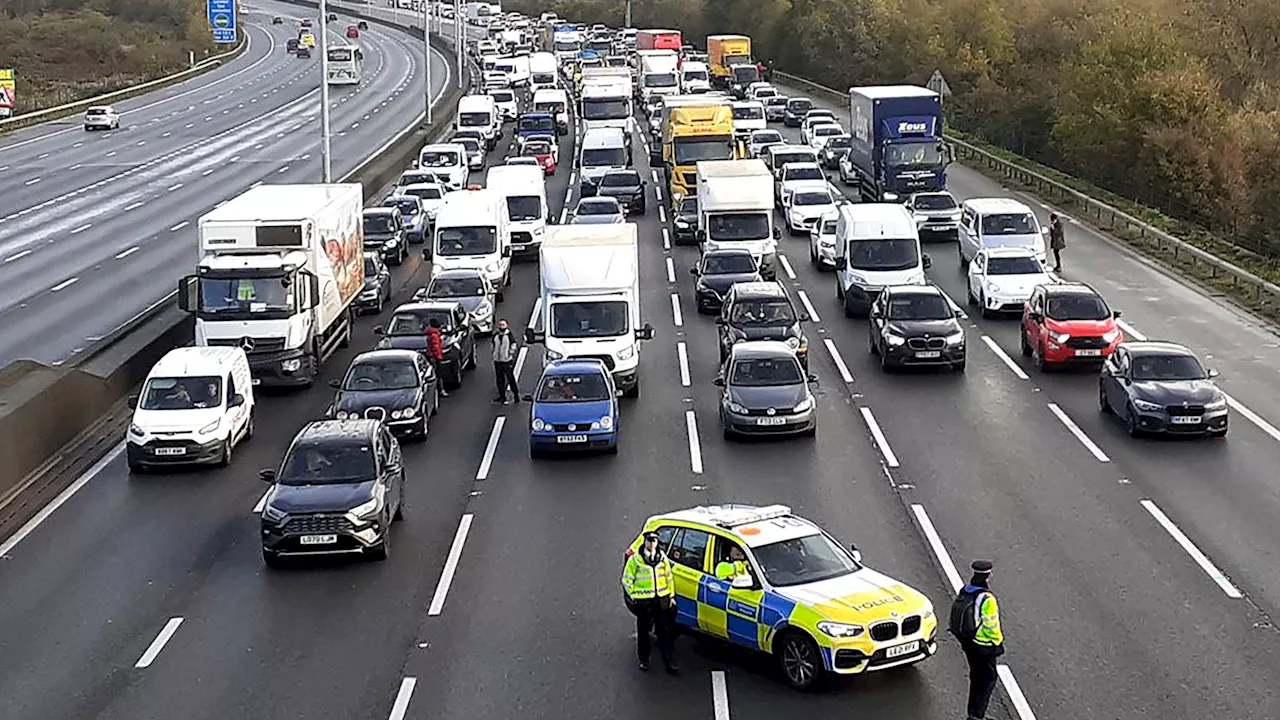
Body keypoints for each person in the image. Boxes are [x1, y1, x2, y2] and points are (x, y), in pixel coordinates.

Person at [949, 560, 1004, 720]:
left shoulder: (966, 590)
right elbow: (991, 626)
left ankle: (973, 713)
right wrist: (998, 643)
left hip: (968, 642)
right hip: (983, 645)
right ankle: (977, 716)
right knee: (987, 679)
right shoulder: (987, 598)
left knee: (976, 677)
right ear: (987, 577)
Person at [621, 531, 679, 674]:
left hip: (661, 600)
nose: (652, 544)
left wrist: (671, 596)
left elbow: (668, 577)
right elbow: (627, 580)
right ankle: (644, 660)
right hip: (644, 602)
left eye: (654, 541)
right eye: (649, 541)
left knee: (664, 631)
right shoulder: (636, 560)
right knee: (643, 631)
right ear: (645, 542)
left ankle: (668, 661)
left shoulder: (662, 558)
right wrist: (634, 596)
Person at [491, 318, 519, 404]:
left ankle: (516, 395)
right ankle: (502, 396)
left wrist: (509, 354)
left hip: (506, 361)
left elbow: (513, 345)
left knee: (510, 378)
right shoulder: (495, 335)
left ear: (506, 326)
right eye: (500, 325)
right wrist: (494, 354)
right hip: (497, 360)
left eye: (503, 325)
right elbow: (492, 344)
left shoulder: (509, 335)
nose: (501, 326)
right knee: (499, 379)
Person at [424, 317, 449, 397]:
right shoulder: (435, 335)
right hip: (434, 358)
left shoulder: (430, 333)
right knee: (438, 374)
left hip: (431, 357)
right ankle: (440, 391)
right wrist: (439, 358)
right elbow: (436, 348)